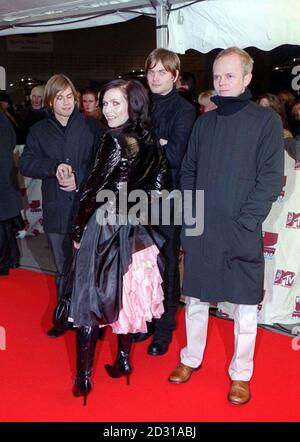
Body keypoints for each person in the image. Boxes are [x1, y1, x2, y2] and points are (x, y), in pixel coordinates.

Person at [168, 47, 284, 405]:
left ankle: (241, 374)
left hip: (241, 228)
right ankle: (191, 358)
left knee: (246, 307)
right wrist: (192, 214)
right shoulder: (205, 122)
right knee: (197, 300)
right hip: (203, 226)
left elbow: (269, 178)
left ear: (247, 78)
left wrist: (247, 221)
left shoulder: (265, 122)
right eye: (217, 75)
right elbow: (188, 171)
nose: (221, 82)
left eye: (229, 75)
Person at [69, 79, 167, 405]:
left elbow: (91, 190)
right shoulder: (151, 140)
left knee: (89, 298)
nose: (108, 110)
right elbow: (158, 186)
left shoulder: (112, 141)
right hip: (137, 231)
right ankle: (123, 360)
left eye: (115, 103)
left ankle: (83, 378)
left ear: (132, 105)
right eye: (105, 103)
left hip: (106, 228)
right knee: (128, 297)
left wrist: (79, 231)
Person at [19, 74, 104, 337]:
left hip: (88, 208)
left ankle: (94, 320)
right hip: (56, 209)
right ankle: (64, 317)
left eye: (71, 97)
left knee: (90, 267)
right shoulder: (39, 131)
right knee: (63, 267)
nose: (67, 102)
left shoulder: (93, 128)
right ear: (50, 101)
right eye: (60, 97)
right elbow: (27, 164)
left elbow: (102, 164)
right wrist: (53, 167)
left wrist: (78, 176)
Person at [137, 48, 196, 356]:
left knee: (167, 264)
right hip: (138, 198)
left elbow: (174, 156)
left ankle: (165, 327)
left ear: (175, 76)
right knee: (142, 263)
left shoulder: (184, 110)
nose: (156, 77)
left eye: (162, 71)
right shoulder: (141, 106)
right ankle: (146, 319)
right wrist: (156, 144)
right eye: (151, 71)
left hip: (168, 199)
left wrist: (146, 146)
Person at [0, 112, 22, 276]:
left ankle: (4, 262)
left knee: (3, 222)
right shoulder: (3, 118)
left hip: (2, 177)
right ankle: (12, 257)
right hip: (5, 177)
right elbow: (13, 142)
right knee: (5, 221)